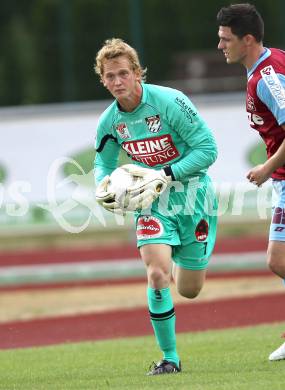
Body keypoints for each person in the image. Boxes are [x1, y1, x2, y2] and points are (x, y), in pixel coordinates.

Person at [94, 38, 218, 375]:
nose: (117, 82)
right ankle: (170, 359)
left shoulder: (170, 102)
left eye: (123, 74)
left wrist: (165, 173)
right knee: (156, 273)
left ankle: (184, 257)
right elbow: (102, 165)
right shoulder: (108, 123)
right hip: (152, 202)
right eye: (110, 76)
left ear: (137, 73)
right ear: (103, 79)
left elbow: (207, 150)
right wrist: (103, 188)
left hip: (194, 196)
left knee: (189, 289)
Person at [217, 3, 285, 361]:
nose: (220, 45)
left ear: (247, 40)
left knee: (278, 259)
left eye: (226, 39)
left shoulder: (268, 78)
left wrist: (266, 168)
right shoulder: (271, 62)